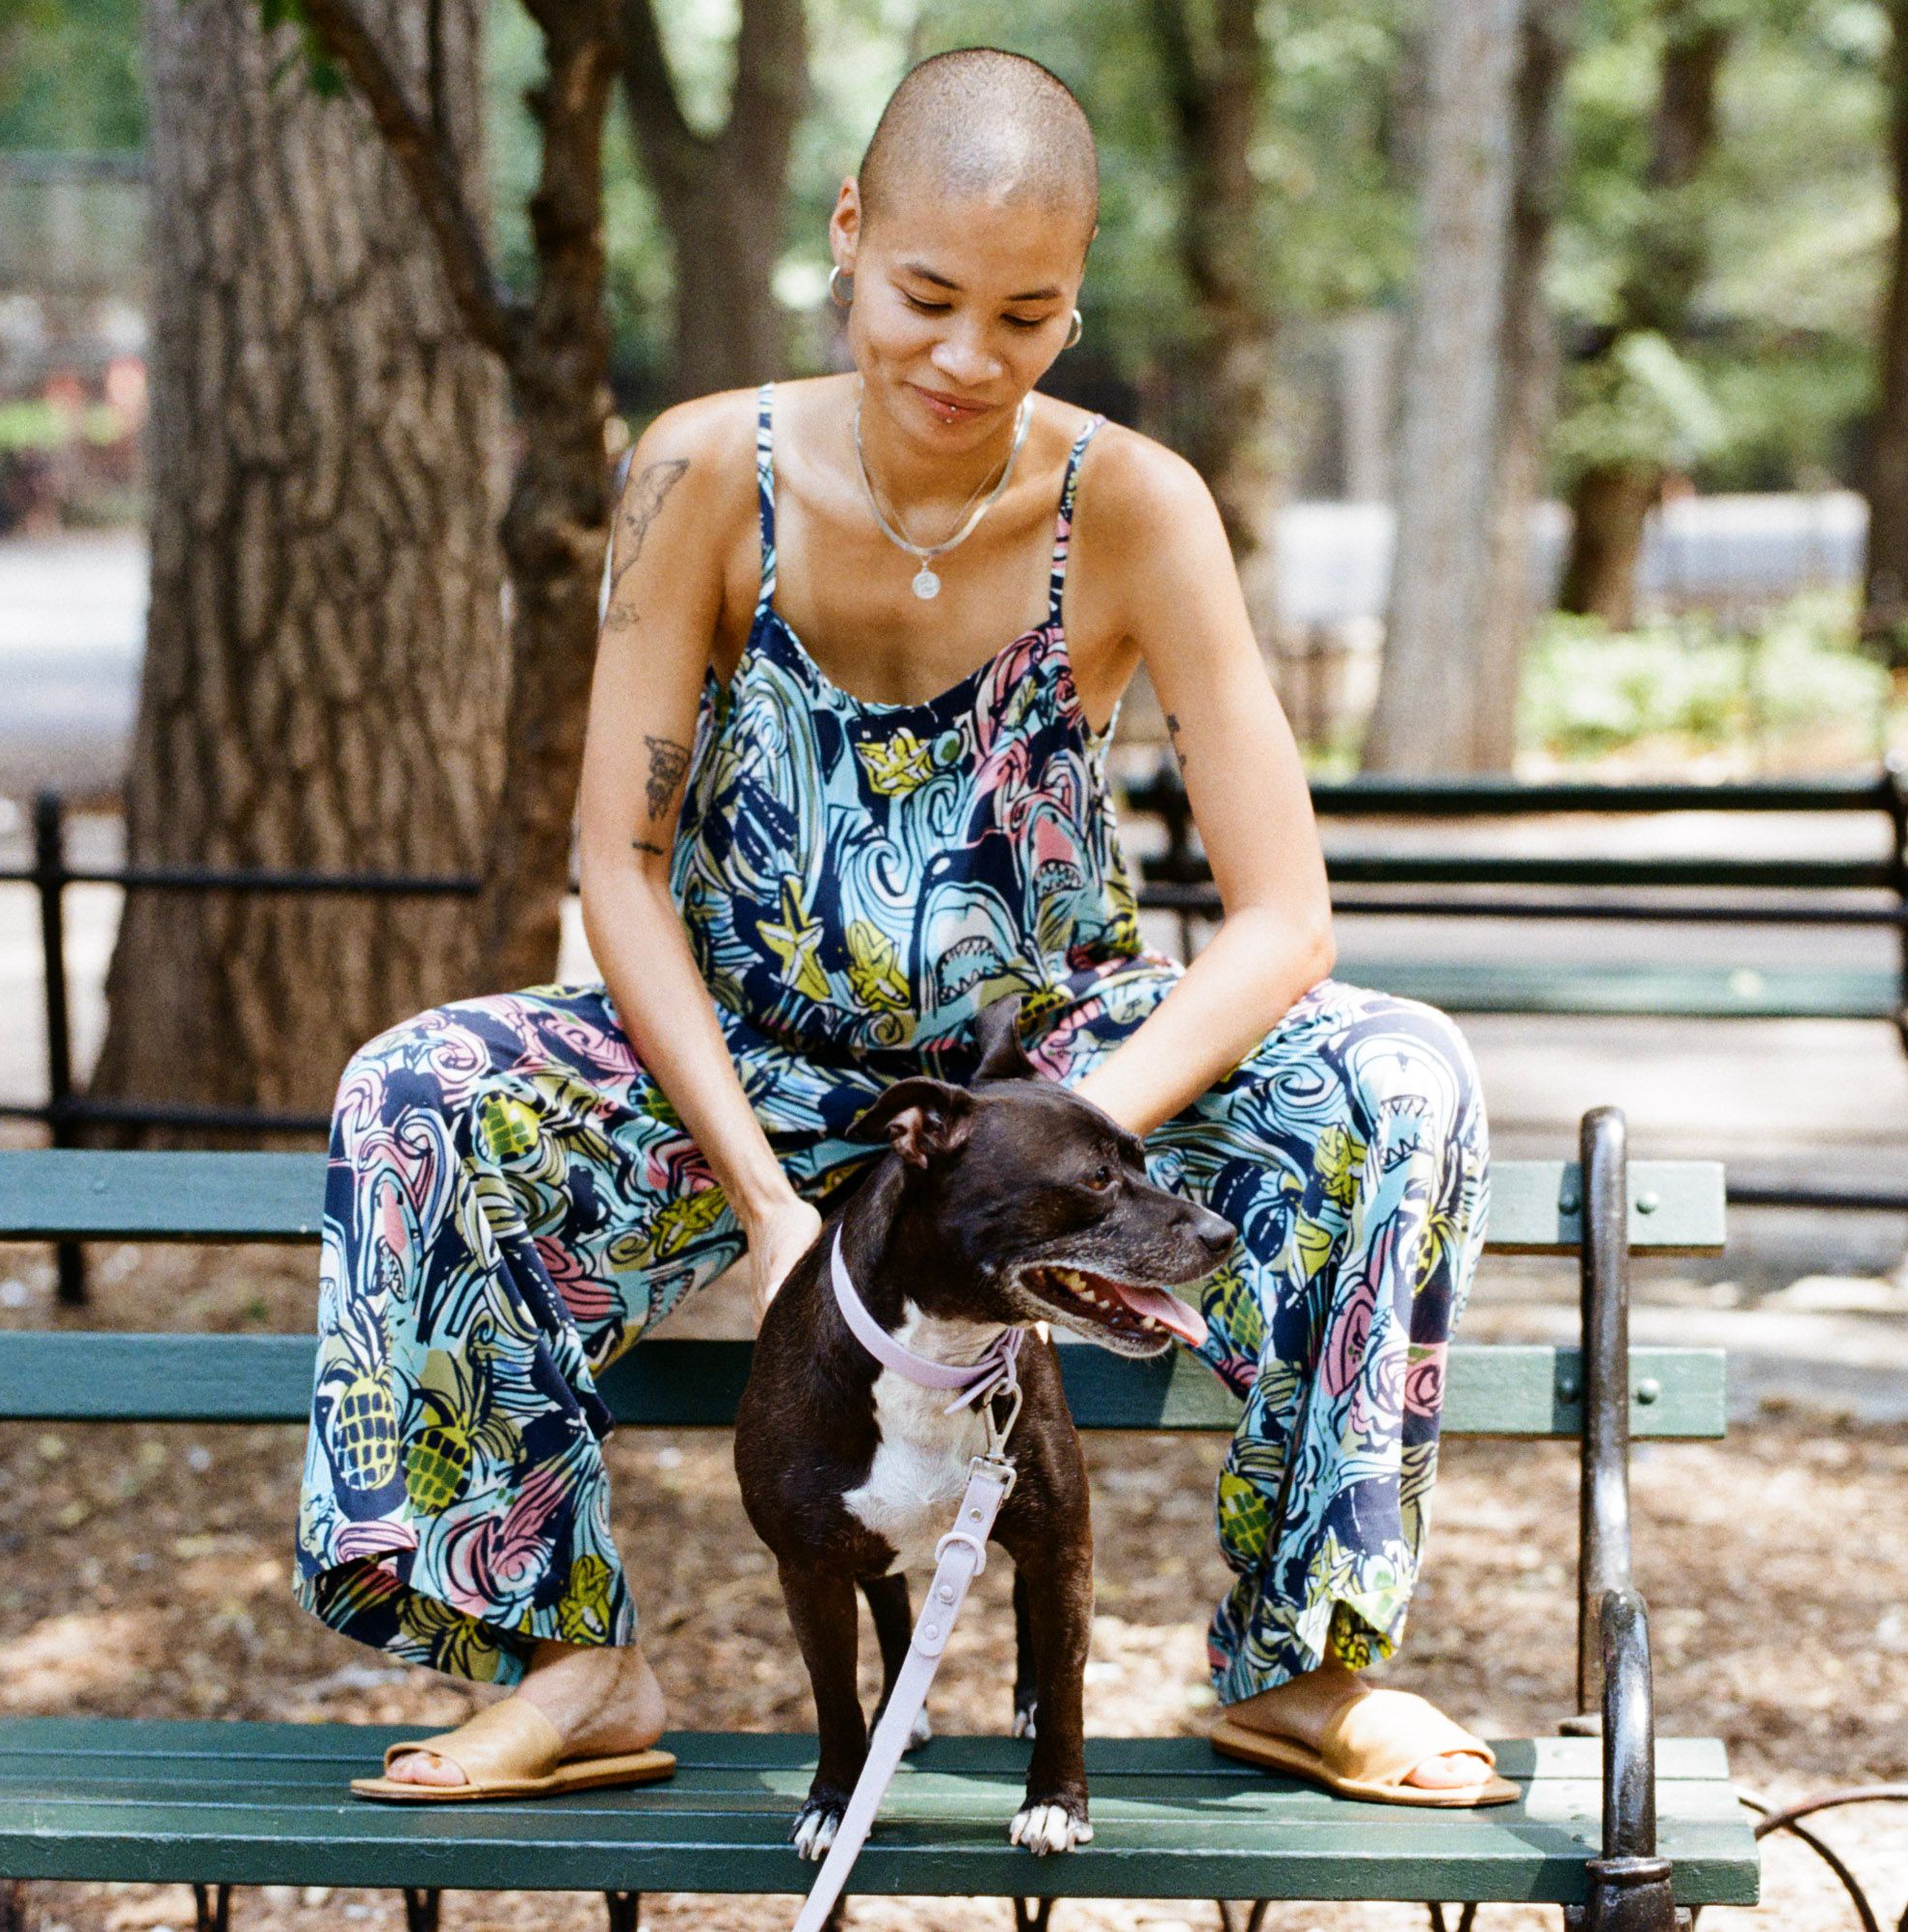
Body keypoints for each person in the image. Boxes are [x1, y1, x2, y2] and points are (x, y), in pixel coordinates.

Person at [298, 45, 1498, 1807]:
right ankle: (567, 1654)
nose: (966, 358)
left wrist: (1062, 1164)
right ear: (848, 231)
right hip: (747, 1065)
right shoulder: (701, 473)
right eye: (927, 297)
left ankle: (1307, 1663)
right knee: (417, 1095)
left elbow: (1284, 920)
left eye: (1023, 317)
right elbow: (618, 863)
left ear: (1075, 298)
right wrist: (771, 1203)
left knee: (1399, 1076)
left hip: (1052, 1069)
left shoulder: (1136, 504)